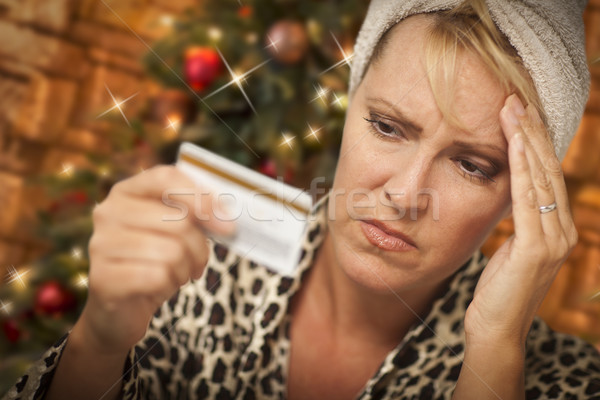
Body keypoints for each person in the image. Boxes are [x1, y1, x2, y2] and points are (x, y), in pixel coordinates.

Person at [4, 0, 600, 399]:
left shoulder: (566, 382)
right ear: (350, 107)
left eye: (473, 165)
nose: (404, 195)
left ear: (522, 197)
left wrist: (495, 353)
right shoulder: (196, 256)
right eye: (389, 127)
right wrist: (100, 340)